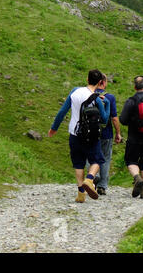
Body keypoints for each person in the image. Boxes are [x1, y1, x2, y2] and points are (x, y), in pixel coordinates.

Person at [48, 69, 110, 203]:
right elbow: (104, 120)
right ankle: (89, 179)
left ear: (87, 79)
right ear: (100, 82)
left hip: (75, 134)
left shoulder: (74, 92)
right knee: (97, 160)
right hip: (91, 135)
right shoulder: (96, 99)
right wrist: (108, 104)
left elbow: (62, 111)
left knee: (78, 163)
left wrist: (54, 128)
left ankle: (81, 193)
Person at [90, 74, 122, 196]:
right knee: (105, 158)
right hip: (106, 133)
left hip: (90, 132)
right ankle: (102, 186)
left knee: (91, 155)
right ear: (102, 82)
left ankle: (93, 176)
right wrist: (118, 133)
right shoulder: (109, 97)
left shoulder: (87, 95)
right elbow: (114, 118)